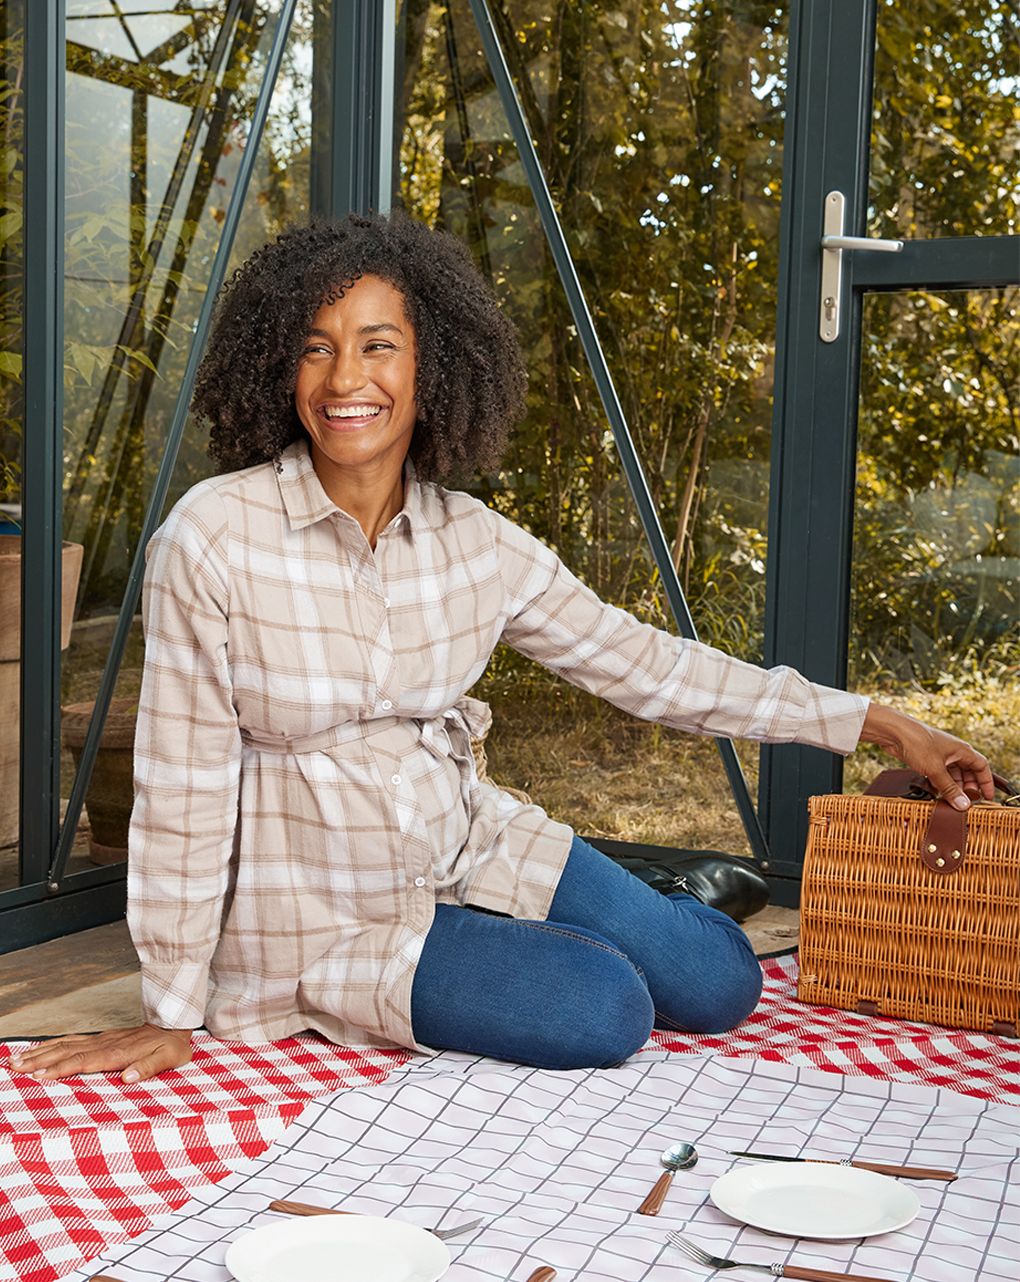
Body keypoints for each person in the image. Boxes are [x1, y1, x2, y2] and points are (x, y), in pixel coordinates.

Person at [11, 213, 992, 1085]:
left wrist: (875, 721)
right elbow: (183, 782)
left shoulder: (475, 541)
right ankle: (536, 943)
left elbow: (651, 667)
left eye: (378, 346)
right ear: (280, 367)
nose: (346, 379)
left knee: (722, 982)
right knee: (604, 1008)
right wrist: (170, 1006)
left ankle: (657, 906)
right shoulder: (212, 536)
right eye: (316, 349)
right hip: (326, 913)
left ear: (431, 367)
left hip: (465, 837)